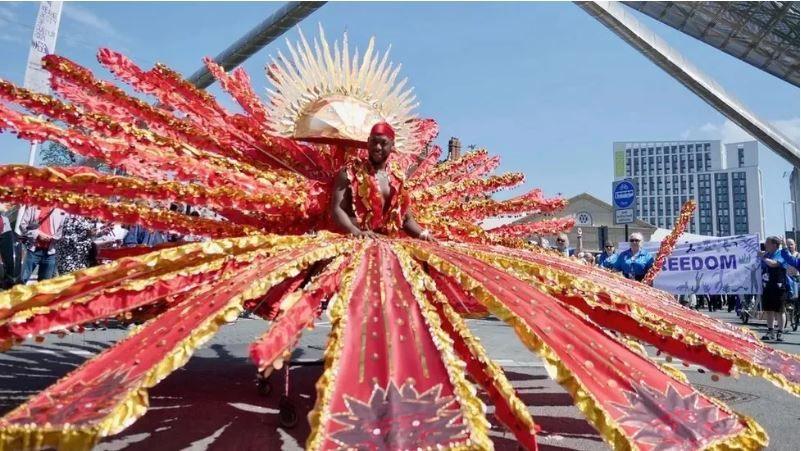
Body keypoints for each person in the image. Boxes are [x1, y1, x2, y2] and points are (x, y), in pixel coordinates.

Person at [330, 122, 433, 241]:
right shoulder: (349, 172)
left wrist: (423, 235)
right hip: (355, 241)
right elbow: (337, 209)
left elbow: (405, 218)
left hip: (386, 244)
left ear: (392, 145)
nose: (378, 147)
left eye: (383, 143)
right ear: (368, 142)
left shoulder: (397, 177)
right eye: (374, 141)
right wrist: (356, 232)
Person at [15, 205, 68, 283]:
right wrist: (37, 235)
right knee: (22, 281)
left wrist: (52, 238)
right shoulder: (33, 206)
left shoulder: (61, 209)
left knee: (44, 285)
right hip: (33, 250)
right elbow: (23, 225)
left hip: (50, 252)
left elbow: (63, 228)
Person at [760, 236, 792, 342]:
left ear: (774, 245)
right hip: (767, 285)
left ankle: (780, 332)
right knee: (768, 309)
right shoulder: (766, 254)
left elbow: (774, 264)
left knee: (779, 310)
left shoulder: (781, 253)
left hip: (779, 285)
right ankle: (770, 331)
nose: (765, 245)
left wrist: (763, 258)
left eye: (767, 243)